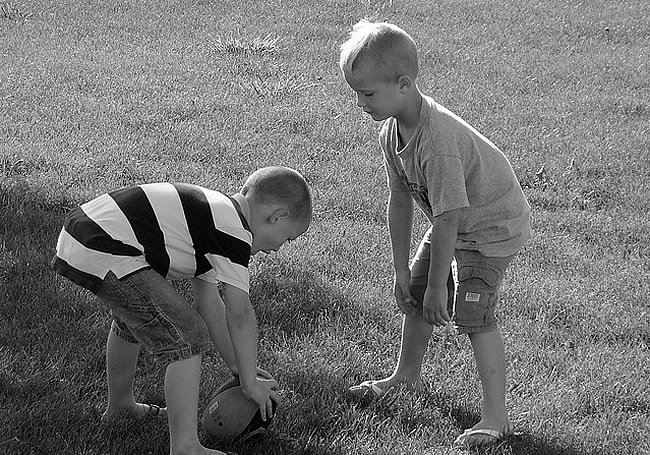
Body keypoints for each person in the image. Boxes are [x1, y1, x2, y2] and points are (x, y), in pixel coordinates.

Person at [339, 21, 531, 447]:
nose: (359, 103)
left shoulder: (437, 141)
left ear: (404, 84)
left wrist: (439, 292)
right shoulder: (391, 130)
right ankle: (406, 377)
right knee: (419, 290)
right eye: (355, 91)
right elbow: (400, 199)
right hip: (453, 221)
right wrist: (402, 273)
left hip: (488, 228)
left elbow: (450, 219)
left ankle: (496, 419)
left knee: (473, 316)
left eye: (367, 93)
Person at [51, 166, 312, 455]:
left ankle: (121, 407)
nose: (278, 249)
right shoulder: (234, 232)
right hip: (104, 245)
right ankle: (186, 446)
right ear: (278, 217)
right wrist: (249, 384)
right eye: (287, 239)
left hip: (85, 234)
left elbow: (209, 303)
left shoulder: (217, 218)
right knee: (187, 335)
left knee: (133, 321)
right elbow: (240, 314)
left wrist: (239, 367)